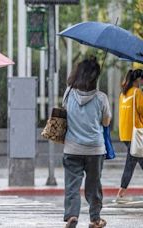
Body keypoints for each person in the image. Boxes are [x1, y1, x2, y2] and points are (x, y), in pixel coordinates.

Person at [62, 57, 111, 228]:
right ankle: (95, 219)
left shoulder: (68, 93)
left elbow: (65, 115)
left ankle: (71, 216)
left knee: (72, 185)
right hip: (95, 150)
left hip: (72, 148)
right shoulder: (101, 98)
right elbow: (106, 123)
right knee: (94, 186)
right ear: (95, 77)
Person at [116, 69, 143, 203]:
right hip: (136, 134)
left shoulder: (123, 94)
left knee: (135, 161)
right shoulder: (137, 92)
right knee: (131, 163)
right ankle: (121, 191)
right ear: (138, 80)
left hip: (126, 133)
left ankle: (122, 190)